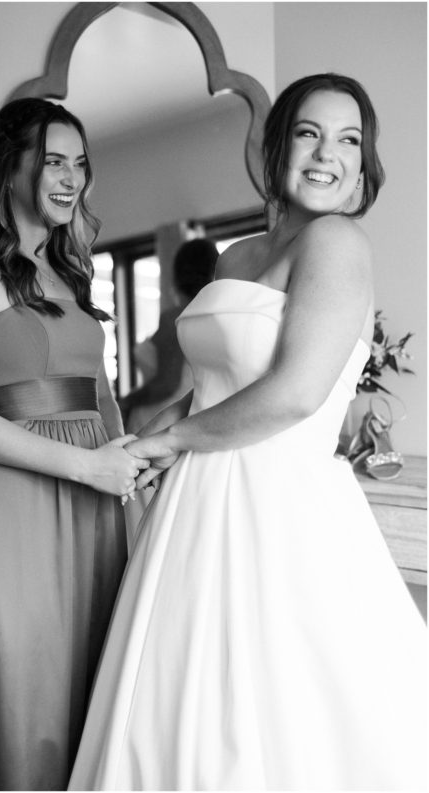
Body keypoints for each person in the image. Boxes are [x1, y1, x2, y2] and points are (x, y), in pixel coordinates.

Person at [68, 74, 427, 790]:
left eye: (349, 140)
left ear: (364, 165)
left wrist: (172, 443)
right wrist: (144, 442)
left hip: (279, 505)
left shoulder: (338, 243)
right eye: (308, 133)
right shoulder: (236, 257)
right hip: (193, 506)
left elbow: (294, 395)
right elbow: (202, 388)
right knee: (174, 700)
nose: (328, 154)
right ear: (277, 147)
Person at [0, 97, 148, 791]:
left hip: (94, 502)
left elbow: (101, 394)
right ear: (8, 168)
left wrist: (139, 461)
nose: (71, 178)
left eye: (80, 163)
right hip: (14, 507)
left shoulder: (72, 274)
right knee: (20, 683)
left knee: (86, 673)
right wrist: (88, 465)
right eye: (53, 161)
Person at [121, 238, 219, 545]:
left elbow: (165, 383)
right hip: (200, 416)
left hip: (159, 416)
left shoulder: (175, 316)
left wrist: (124, 401)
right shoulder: (218, 315)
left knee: (145, 510)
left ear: (177, 273)